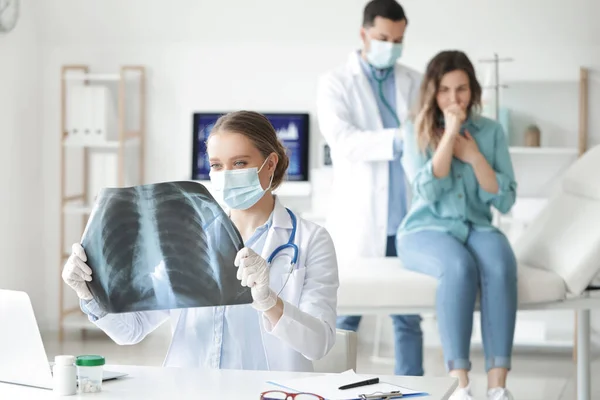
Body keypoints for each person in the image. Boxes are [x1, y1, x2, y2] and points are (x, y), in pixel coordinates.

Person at [62, 110, 339, 372]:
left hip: (269, 390)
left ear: (270, 164)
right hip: (189, 388)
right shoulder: (185, 235)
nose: (227, 174)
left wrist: (269, 302)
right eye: (217, 165)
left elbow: (319, 344)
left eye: (240, 163)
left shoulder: (311, 240)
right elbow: (132, 331)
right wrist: (90, 293)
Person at [397, 50, 518, 400]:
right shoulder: (414, 130)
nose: (454, 98)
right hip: (426, 229)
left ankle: (498, 387)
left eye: (461, 89)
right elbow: (428, 191)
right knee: (458, 267)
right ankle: (460, 384)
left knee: (499, 261)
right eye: (445, 90)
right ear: (432, 93)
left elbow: (505, 199)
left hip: (477, 226)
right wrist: (449, 137)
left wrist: (475, 156)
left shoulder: (492, 131)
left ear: (473, 89)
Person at [316, 0, 423, 376]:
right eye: (382, 38)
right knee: (347, 314)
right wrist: (403, 138)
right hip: (360, 221)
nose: (390, 46)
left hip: (406, 219)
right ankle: (333, 385)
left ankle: (415, 390)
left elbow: (426, 138)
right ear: (364, 33)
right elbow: (345, 142)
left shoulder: (414, 80)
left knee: (408, 317)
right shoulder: (335, 83)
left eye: (398, 39)